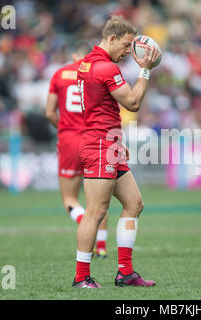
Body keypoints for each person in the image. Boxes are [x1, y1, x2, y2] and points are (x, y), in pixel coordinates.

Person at [72, 15, 160, 288]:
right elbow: (132, 102)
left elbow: (100, 107)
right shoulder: (106, 69)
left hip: (106, 143)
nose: (128, 52)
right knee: (96, 212)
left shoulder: (86, 63)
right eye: (125, 45)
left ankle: (125, 273)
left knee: (134, 203)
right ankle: (81, 278)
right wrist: (145, 70)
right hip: (99, 145)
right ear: (111, 38)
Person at [45, 41, 109, 259]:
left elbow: (49, 113)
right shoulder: (98, 74)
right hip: (95, 138)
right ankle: (101, 246)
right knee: (99, 199)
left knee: (70, 199)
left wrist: (64, 128)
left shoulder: (60, 74)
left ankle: (85, 223)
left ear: (74, 54)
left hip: (69, 140)